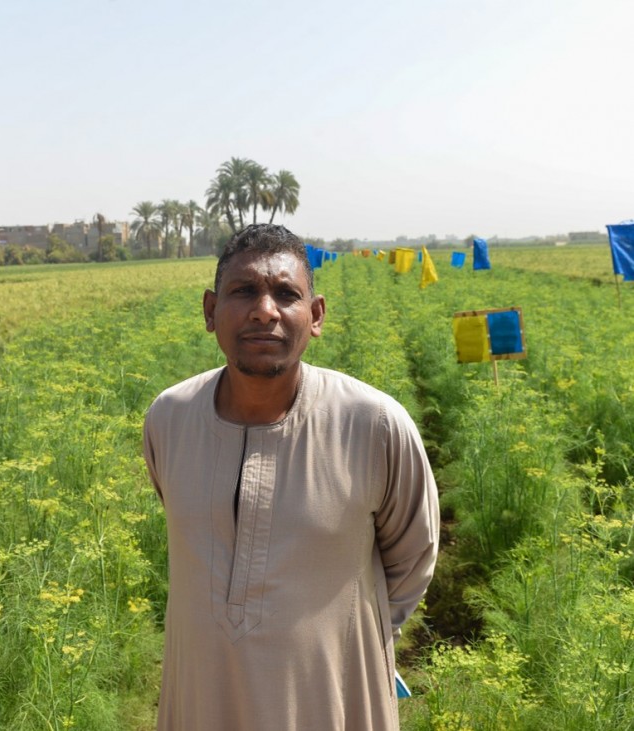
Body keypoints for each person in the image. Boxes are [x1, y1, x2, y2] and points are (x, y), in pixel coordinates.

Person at [143, 223, 439, 731]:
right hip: (202, 697)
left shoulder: (374, 425)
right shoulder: (169, 419)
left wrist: (339, 638)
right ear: (211, 311)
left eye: (286, 293)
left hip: (331, 698)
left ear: (316, 315)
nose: (265, 310)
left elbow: (414, 558)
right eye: (244, 291)